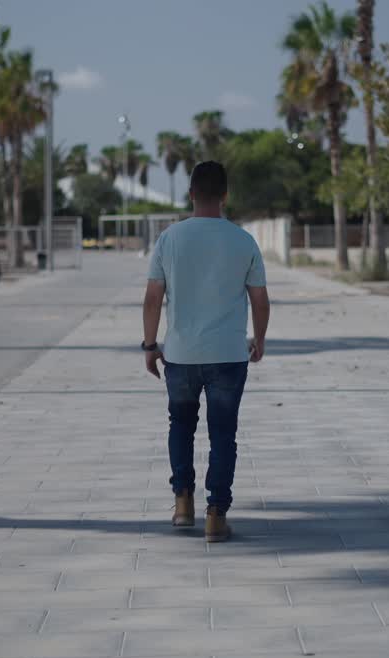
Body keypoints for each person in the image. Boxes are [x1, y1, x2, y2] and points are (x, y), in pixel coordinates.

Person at [141, 161, 270, 542]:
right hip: (229, 354)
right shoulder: (243, 240)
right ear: (225, 196)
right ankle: (216, 515)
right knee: (223, 434)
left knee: (180, 425)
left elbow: (152, 298)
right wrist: (259, 339)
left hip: (180, 354)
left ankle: (183, 502)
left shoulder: (170, 238)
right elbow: (260, 301)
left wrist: (150, 346)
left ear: (191, 193)